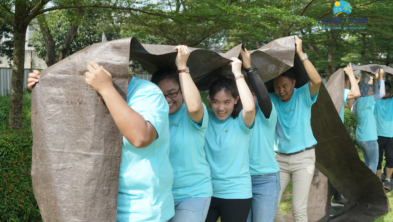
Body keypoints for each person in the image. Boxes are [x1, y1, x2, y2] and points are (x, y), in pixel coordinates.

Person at [27, 64, 175, 221]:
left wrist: (106, 88)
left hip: (141, 212)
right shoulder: (86, 90)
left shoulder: (147, 92)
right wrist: (43, 88)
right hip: (95, 206)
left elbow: (141, 137)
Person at [150, 45, 212, 222]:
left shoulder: (191, 113)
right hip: (162, 196)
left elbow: (194, 106)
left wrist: (182, 67)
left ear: (182, 91)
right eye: (161, 96)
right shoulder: (153, 117)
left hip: (193, 193)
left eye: (172, 93)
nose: (167, 100)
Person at [272, 36, 322, 222]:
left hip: (304, 158)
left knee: (298, 209)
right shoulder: (271, 97)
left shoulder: (303, 95)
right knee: (271, 205)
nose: (281, 90)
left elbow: (316, 81)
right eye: (277, 86)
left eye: (285, 86)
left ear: (294, 84)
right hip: (279, 159)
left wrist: (301, 53)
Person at [204, 58, 256, 222]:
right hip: (207, 193)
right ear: (209, 100)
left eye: (227, 102)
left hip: (237, 194)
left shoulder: (241, 121)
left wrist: (238, 74)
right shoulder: (205, 119)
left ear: (236, 100)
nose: (221, 108)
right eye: (216, 102)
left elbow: (249, 107)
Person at [239, 48, 280, 222]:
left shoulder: (267, 114)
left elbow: (264, 98)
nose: (250, 97)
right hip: (241, 180)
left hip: (266, 180)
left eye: (253, 93)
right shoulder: (235, 117)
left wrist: (249, 69)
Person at [329, 64, 361, 206]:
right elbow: (357, 93)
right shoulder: (337, 91)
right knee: (336, 168)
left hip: (335, 135)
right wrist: (350, 75)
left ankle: (336, 196)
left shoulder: (334, 90)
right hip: (334, 136)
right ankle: (329, 198)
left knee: (338, 168)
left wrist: (355, 82)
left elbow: (348, 105)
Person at [352, 70, 385, 174]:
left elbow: (376, 94)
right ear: (364, 93)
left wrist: (374, 80)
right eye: (369, 91)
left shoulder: (358, 102)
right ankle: (369, 187)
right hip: (369, 138)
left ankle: (365, 185)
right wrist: (381, 78)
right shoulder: (364, 101)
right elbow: (381, 94)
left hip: (361, 138)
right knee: (373, 163)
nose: (371, 93)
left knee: (368, 163)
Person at [375, 81, 393, 190]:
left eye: (387, 90)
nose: (385, 92)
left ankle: (388, 180)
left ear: (390, 91)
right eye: (383, 90)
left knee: (390, 158)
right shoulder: (375, 101)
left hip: (390, 136)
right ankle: (378, 181)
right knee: (378, 159)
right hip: (377, 135)